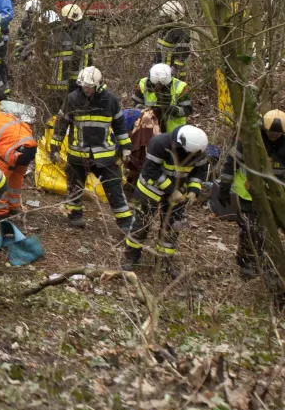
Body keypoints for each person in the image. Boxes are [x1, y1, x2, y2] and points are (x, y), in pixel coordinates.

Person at [51, 66, 133, 232]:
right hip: (78, 153)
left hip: (104, 155)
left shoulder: (110, 100)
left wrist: (126, 148)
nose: (86, 90)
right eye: (84, 87)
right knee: (75, 185)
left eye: (89, 87)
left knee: (113, 187)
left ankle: (125, 222)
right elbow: (61, 124)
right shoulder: (72, 99)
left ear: (98, 85)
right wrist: (55, 147)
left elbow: (119, 126)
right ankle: (75, 215)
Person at [122, 124, 209, 275]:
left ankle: (164, 261)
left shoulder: (198, 151)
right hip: (150, 190)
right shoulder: (160, 144)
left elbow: (199, 172)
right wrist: (171, 191)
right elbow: (151, 170)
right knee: (141, 224)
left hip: (178, 194)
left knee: (173, 227)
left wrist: (194, 190)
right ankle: (131, 257)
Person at [220, 110, 285, 282]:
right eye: (271, 132)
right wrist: (224, 187)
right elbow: (230, 163)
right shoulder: (249, 140)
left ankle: (265, 261)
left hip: (275, 195)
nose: (274, 136)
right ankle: (246, 263)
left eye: (277, 134)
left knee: (267, 230)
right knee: (249, 230)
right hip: (247, 194)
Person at [133, 63, 192, 135]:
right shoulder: (143, 84)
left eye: (163, 86)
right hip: (148, 130)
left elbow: (187, 110)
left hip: (173, 132)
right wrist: (149, 110)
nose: (159, 87)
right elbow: (136, 106)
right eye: (155, 85)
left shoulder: (180, 86)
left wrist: (172, 110)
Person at [153, 0, 193, 73]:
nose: (164, 20)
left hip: (174, 73)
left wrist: (173, 72)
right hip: (161, 71)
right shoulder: (164, 29)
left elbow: (181, 56)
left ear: (174, 15)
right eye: (163, 17)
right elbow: (158, 52)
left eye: (166, 17)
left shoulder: (182, 30)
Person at [59, 4, 95, 78]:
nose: (64, 21)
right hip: (87, 65)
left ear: (71, 18)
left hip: (79, 66)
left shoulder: (77, 30)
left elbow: (76, 50)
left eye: (65, 18)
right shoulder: (86, 25)